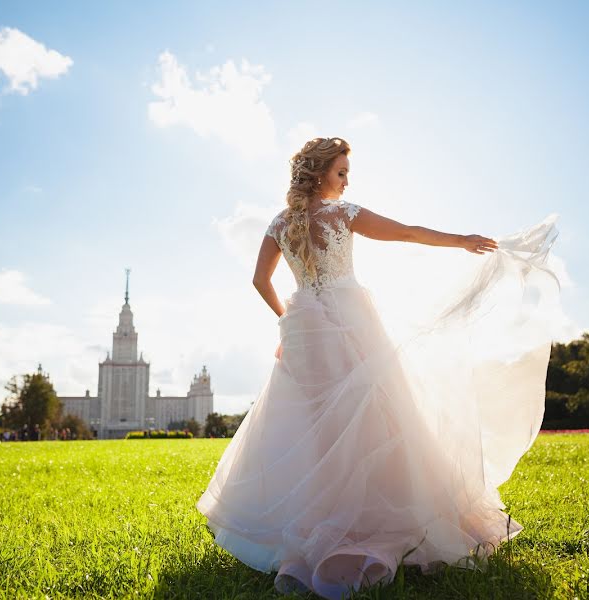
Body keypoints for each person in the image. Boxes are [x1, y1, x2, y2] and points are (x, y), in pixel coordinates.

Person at [196, 137, 562, 598]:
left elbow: (259, 281)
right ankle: (386, 516)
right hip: (349, 319)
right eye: (342, 172)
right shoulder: (344, 214)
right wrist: (461, 241)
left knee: (314, 428)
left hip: (304, 327)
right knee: (379, 414)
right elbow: (407, 232)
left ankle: (317, 521)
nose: (346, 180)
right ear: (321, 172)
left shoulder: (279, 223)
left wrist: (288, 321)